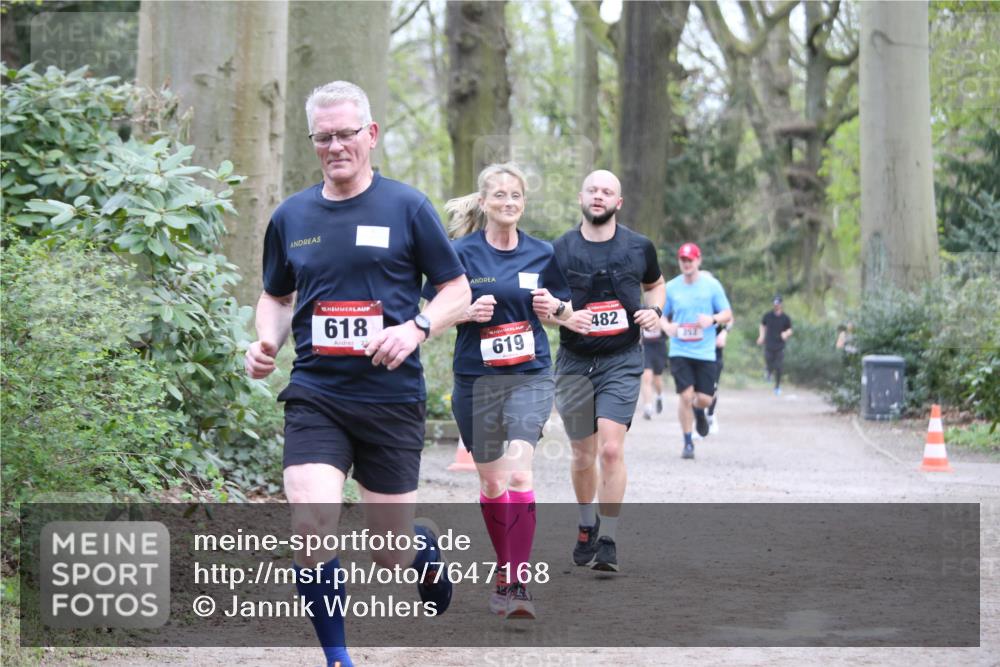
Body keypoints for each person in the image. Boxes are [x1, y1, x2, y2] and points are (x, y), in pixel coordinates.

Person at [244, 81, 471, 667]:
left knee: (387, 549)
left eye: (347, 133)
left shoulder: (407, 207)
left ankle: (419, 547)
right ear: (313, 141)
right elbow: (274, 295)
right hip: (317, 392)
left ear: (370, 135)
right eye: (324, 136)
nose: (336, 145)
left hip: (390, 396)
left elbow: (457, 289)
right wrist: (267, 338)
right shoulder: (291, 215)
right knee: (311, 521)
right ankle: (338, 658)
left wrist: (416, 327)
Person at [427, 162, 571, 620]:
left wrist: (557, 309)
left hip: (530, 374)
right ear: (484, 201)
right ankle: (504, 569)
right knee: (492, 481)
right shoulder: (459, 254)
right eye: (500, 195)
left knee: (519, 473)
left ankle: (517, 581)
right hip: (476, 377)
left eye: (516, 196)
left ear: (523, 203)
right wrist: (465, 313)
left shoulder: (543, 253)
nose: (509, 202)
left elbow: (564, 310)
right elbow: (431, 311)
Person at [551, 169, 665, 572]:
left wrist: (654, 312)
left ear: (618, 202)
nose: (599, 197)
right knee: (584, 453)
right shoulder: (559, 250)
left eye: (607, 192)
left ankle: (610, 539)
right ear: (581, 197)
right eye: (593, 190)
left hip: (622, 359)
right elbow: (542, 307)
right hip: (575, 362)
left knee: (612, 449)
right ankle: (587, 525)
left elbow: (656, 285)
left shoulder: (639, 246)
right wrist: (565, 317)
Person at [662, 243, 733, 460]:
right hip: (680, 350)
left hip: (705, 352)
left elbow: (727, 313)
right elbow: (659, 314)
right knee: (685, 396)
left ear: (698, 261)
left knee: (704, 399)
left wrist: (711, 319)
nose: (686, 263)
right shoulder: (672, 287)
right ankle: (687, 442)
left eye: (690, 260)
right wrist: (668, 327)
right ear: (679, 262)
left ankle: (700, 411)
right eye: (683, 260)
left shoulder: (711, 285)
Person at [757, 295, 793, 395]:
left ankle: (777, 387)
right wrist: (761, 336)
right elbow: (762, 325)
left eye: (778, 304)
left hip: (780, 345)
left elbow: (790, 330)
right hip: (769, 343)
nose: (776, 305)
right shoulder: (768, 316)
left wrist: (786, 334)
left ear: (781, 304)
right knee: (768, 361)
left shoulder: (785, 318)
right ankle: (768, 372)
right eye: (775, 304)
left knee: (778, 366)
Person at [639, 320, 668, 420]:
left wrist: (661, 323)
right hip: (645, 347)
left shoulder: (664, 311)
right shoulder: (640, 309)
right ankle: (648, 407)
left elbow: (670, 328)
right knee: (646, 377)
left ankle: (659, 396)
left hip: (659, 346)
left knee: (657, 378)